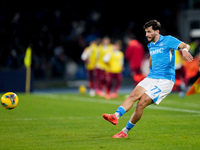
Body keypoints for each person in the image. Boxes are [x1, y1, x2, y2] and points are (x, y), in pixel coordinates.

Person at [102, 20, 193, 138]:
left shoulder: (168, 40)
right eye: (146, 32)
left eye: (149, 32)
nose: (146, 35)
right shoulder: (151, 45)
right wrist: (149, 69)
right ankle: (115, 116)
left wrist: (185, 50)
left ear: (157, 31)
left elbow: (185, 45)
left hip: (165, 81)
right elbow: (152, 57)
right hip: (151, 77)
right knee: (133, 95)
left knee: (141, 103)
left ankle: (124, 132)